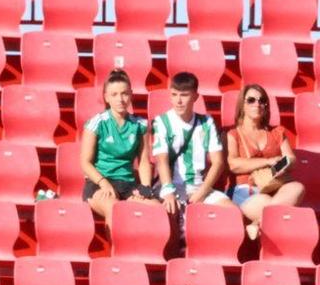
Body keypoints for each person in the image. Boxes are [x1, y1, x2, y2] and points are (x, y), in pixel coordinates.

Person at [150, 70, 228, 251]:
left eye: (184, 95)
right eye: (174, 95)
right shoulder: (162, 122)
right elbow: (161, 160)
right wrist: (168, 191)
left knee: (232, 213)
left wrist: (202, 192)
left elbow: (218, 162)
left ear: (195, 96)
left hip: (199, 187)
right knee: (167, 212)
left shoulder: (207, 122)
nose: (178, 101)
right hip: (170, 186)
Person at [224, 83, 305, 241]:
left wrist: (283, 165)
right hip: (246, 191)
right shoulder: (233, 134)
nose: (257, 104)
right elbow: (233, 164)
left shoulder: (276, 132)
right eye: (251, 100)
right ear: (242, 105)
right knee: (271, 206)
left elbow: (292, 159)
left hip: (273, 187)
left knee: (297, 187)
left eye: (262, 101)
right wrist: (268, 161)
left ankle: (257, 222)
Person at [79, 69, 157, 223]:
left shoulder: (140, 124)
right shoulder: (96, 123)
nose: (120, 99)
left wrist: (145, 187)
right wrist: (104, 184)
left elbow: (143, 161)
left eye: (124, 93)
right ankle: (118, 248)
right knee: (115, 211)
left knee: (155, 209)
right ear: (106, 97)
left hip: (128, 185)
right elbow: (85, 162)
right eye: (114, 94)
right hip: (100, 183)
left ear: (131, 94)